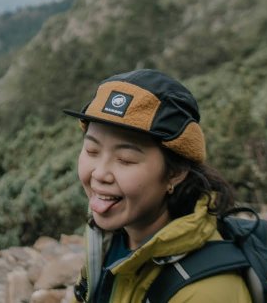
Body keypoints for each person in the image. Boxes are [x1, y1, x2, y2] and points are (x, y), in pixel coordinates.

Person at [63, 69, 252, 303]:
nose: (100, 173)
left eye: (125, 159)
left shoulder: (207, 292)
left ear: (175, 172)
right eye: (92, 151)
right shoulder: (110, 240)